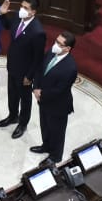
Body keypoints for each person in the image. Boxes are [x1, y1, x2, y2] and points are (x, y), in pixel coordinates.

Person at [0, 0, 46, 139]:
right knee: (12, 94)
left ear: (33, 12)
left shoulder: (38, 32)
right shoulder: (18, 18)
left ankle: (22, 124)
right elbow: (8, 26)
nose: (22, 10)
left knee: (25, 100)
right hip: (12, 66)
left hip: (25, 73)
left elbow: (38, 58)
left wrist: (30, 76)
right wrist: (2, 14)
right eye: (21, 6)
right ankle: (13, 116)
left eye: (26, 8)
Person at [32, 31, 77, 163]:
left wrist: (41, 94)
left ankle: (55, 156)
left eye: (59, 43)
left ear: (67, 48)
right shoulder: (51, 53)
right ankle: (46, 146)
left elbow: (60, 90)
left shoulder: (70, 67)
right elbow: (40, 70)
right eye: (56, 41)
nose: (55, 45)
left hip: (58, 106)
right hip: (43, 100)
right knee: (45, 126)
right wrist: (36, 87)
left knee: (57, 132)